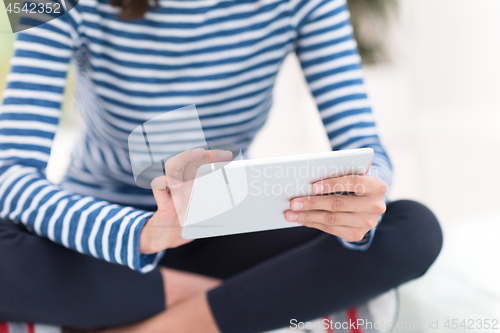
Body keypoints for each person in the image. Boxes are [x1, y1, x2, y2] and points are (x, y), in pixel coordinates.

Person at [0, 0, 443, 332]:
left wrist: (364, 194)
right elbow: (10, 172)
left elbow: (366, 149)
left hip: (224, 227)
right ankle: (215, 300)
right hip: (99, 241)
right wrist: (142, 234)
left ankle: (152, 323)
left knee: (411, 228)